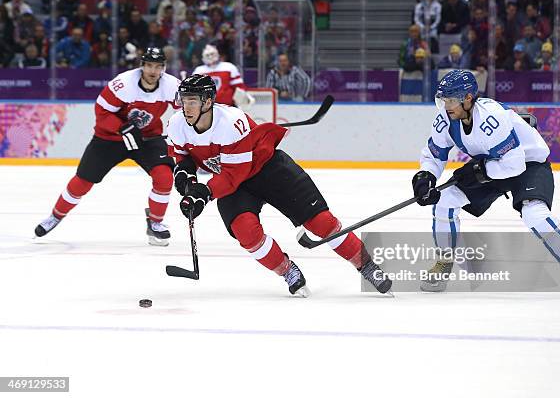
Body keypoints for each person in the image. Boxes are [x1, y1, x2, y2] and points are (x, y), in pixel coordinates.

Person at [167, 74, 393, 296]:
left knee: (322, 223)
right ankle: (287, 271)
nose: (186, 107)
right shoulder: (177, 123)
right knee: (246, 232)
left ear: (208, 101)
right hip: (235, 186)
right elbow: (182, 155)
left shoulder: (229, 123)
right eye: (184, 100)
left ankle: (367, 265)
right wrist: (185, 177)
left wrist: (204, 193)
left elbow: (233, 174)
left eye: (193, 101)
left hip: (268, 170)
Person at [411, 70, 560, 299]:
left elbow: (514, 165)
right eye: (444, 99)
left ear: (468, 98)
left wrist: (479, 172)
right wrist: (426, 177)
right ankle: (444, 262)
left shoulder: (492, 117)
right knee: (445, 202)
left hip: (528, 165)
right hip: (491, 165)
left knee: (535, 215)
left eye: (451, 100)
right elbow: (434, 156)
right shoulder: (446, 118)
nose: (446, 105)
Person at [35, 48, 181, 246]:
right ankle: (55, 216)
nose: (153, 71)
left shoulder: (172, 85)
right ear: (142, 66)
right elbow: (101, 112)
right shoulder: (123, 84)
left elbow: (185, 111)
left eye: (158, 66)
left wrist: (182, 131)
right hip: (110, 138)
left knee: (164, 177)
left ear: (163, 68)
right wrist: (122, 127)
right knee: (83, 181)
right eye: (149, 65)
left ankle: (155, 223)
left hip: (147, 138)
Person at [192, 44, 253, 108]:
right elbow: (193, 90)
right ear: (203, 57)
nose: (210, 57)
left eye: (212, 54)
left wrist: (245, 97)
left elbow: (239, 87)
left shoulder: (228, 67)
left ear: (217, 54)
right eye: (207, 55)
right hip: (207, 108)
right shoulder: (198, 71)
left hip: (227, 107)